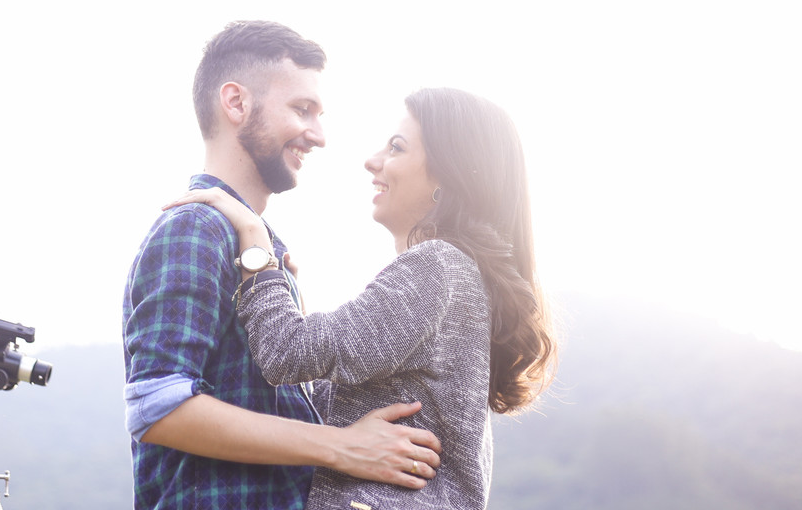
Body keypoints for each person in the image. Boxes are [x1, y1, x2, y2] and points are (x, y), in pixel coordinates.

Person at [167, 86, 557, 509]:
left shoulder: (438, 267)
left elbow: (286, 354)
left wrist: (256, 249)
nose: (372, 161)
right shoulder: (460, 279)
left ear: (449, 174)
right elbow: (318, 396)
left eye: (396, 147)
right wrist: (287, 301)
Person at [122, 21, 443, 510]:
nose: (318, 135)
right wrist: (343, 447)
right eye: (302, 109)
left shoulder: (262, 247)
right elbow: (159, 407)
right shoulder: (195, 228)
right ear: (236, 103)